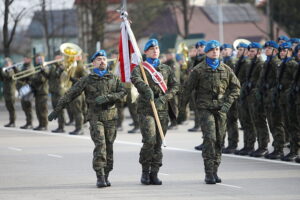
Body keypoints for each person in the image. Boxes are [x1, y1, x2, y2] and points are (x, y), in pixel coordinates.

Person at [48, 49, 126, 188]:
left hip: (111, 118)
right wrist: (57, 110)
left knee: (109, 147)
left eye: (104, 59)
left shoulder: (114, 78)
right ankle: (100, 176)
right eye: (99, 59)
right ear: (93, 63)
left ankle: (106, 174)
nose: (102, 61)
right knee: (100, 145)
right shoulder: (86, 80)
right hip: (96, 117)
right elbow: (70, 94)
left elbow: (123, 92)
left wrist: (109, 97)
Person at [180, 40, 240, 184]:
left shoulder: (226, 69)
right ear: (206, 52)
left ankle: (215, 170)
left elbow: (236, 88)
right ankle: (208, 173)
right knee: (210, 138)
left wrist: (227, 103)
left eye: (217, 50)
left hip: (221, 109)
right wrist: (181, 110)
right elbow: (187, 89)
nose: (215, 52)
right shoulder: (198, 70)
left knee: (220, 140)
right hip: (205, 108)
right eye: (212, 50)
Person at [131, 39, 179, 185]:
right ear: (146, 52)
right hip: (147, 109)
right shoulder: (140, 68)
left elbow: (175, 86)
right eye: (151, 49)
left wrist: (164, 98)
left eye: (157, 48)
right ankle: (145, 171)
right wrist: (145, 89)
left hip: (162, 109)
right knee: (149, 141)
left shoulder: (166, 69)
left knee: (158, 143)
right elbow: (135, 79)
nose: (155, 50)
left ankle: (155, 173)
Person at [257, 41, 285, 159]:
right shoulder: (267, 62)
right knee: (272, 123)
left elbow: (279, 80)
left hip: (274, 97)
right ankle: (276, 147)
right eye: (266, 48)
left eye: (269, 48)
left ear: (275, 50)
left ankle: (279, 149)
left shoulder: (276, 62)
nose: (266, 50)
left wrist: (272, 91)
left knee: (276, 123)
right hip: (267, 97)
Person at [241, 42, 270, 157]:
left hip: (257, 97)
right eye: (249, 51)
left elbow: (261, 81)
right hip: (249, 97)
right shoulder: (250, 64)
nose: (249, 53)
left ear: (258, 52)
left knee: (259, 122)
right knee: (249, 121)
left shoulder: (260, 64)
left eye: (252, 51)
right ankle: (249, 145)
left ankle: (263, 146)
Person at [273, 42, 299, 161]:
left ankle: (295, 150)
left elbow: (294, 81)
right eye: (281, 51)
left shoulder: (292, 64)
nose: (282, 53)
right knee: (288, 125)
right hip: (284, 99)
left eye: (284, 51)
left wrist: (290, 91)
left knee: (294, 125)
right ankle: (293, 150)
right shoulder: (282, 64)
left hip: (291, 98)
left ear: (289, 51)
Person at [41, 51, 66, 133]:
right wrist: (43, 70)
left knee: (60, 110)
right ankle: (59, 126)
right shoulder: (53, 66)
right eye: (55, 58)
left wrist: (60, 67)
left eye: (58, 57)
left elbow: (58, 75)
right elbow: (48, 76)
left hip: (59, 91)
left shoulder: (62, 66)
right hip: (53, 91)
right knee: (56, 109)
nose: (56, 59)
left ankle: (61, 127)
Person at [220, 44, 239, 154]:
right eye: (222, 50)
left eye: (225, 49)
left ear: (231, 51)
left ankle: (233, 144)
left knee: (232, 121)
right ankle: (222, 143)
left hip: (231, 96)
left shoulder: (232, 63)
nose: (223, 51)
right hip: (223, 96)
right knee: (224, 121)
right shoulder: (222, 62)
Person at [31, 54, 49, 130]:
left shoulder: (45, 67)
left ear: (43, 59)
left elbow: (42, 79)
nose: (38, 60)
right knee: (38, 110)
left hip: (43, 92)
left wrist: (42, 71)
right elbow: (34, 78)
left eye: (40, 59)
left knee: (43, 110)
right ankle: (40, 124)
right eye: (37, 59)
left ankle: (44, 125)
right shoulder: (37, 68)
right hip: (37, 92)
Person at [17, 54, 34, 129]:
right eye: (24, 58)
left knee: (28, 107)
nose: (24, 60)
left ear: (30, 59)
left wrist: (16, 70)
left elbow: (23, 75)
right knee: (24, 107)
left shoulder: (30, 67)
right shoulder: (24, 66)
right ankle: (27, 122)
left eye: (26, 58)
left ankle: (30, 123)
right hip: (23, 89)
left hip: (28, 89)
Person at [0, 57, 16, 127]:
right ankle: (11, 121)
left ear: (11, 63)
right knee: (8, 107)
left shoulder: (11, 70)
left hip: (11, 91)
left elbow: (7, 76)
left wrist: (2, 71)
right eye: (5, 63)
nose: (6, 64)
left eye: (8, 63)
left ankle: (13, 122)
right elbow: (2, 78)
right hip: (6, 91)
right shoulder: (5, 70)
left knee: (11, 107)